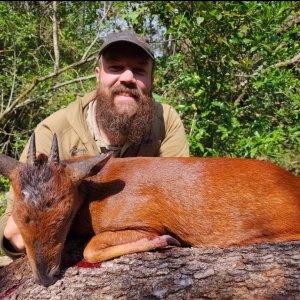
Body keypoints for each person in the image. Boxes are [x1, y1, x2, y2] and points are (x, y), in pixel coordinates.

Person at [0, 30, 189, 258]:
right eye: (115, 68)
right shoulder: (53, 132)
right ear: (98, 74)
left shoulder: (166, 122)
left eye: (139, 70)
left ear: (151, 80)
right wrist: (13, 239)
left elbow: (178, 200)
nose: (128, 78)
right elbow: (14, 225)